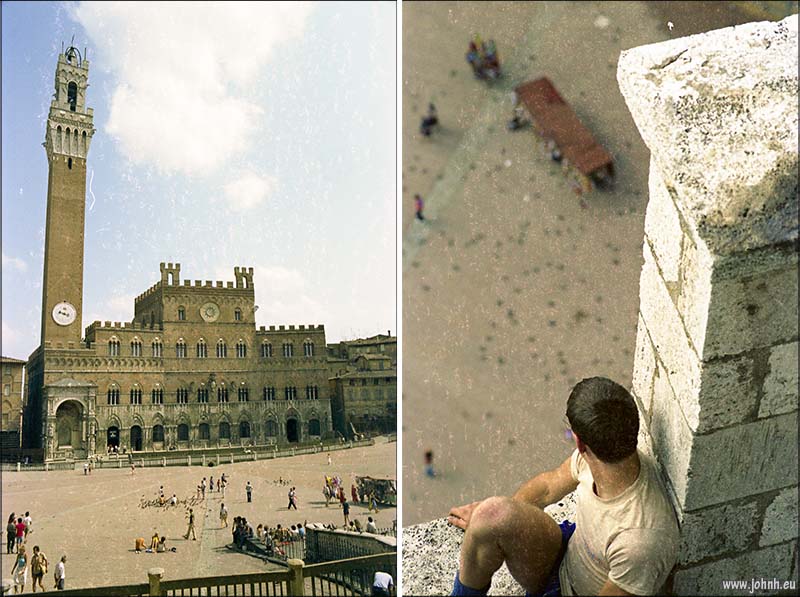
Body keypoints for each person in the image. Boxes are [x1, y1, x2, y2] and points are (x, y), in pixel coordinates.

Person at [447, 377, 680, 596]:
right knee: (491, 514)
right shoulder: (600, 458)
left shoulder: (639, 542)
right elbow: (547, 487)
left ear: (579, 442)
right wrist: (489, 525)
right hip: (567, 552)